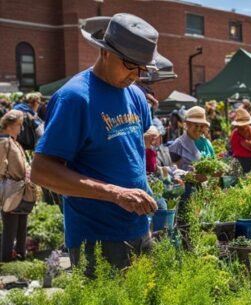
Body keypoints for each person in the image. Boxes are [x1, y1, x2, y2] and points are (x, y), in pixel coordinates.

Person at [30, 14, 159, 275]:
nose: (135, 75)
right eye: (130, 66)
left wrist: (148, 135)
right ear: (106, 52)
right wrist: (115, 193)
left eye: (142, 69)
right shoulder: (75, 97)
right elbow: (41, 171)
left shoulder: (134, 94)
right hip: (96, 239)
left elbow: (140, 134)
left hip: (139, 227)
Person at [0, 110, 36, 261]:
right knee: (10, 228)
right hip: (11, 191)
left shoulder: (13, 141)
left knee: (22, 226)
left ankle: (21, 257)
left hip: (21, 190)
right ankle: (7, 261)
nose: (21, 129)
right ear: (8, 125)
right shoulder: (3, 142)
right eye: (19, 125)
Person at [169, 106, 208, 172]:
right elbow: (172, 171)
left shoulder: (206, 143)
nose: (198, 129)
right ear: (187, 125)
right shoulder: (178, 145)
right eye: (196, 125)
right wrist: (189, 175)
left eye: (201, 126)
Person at [230, 107, 251, 173]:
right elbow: (234, 149)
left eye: (243, 126)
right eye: (239, 127)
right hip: (239, 164)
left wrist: (244, 142)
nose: (241, 129)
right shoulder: (235, 133)